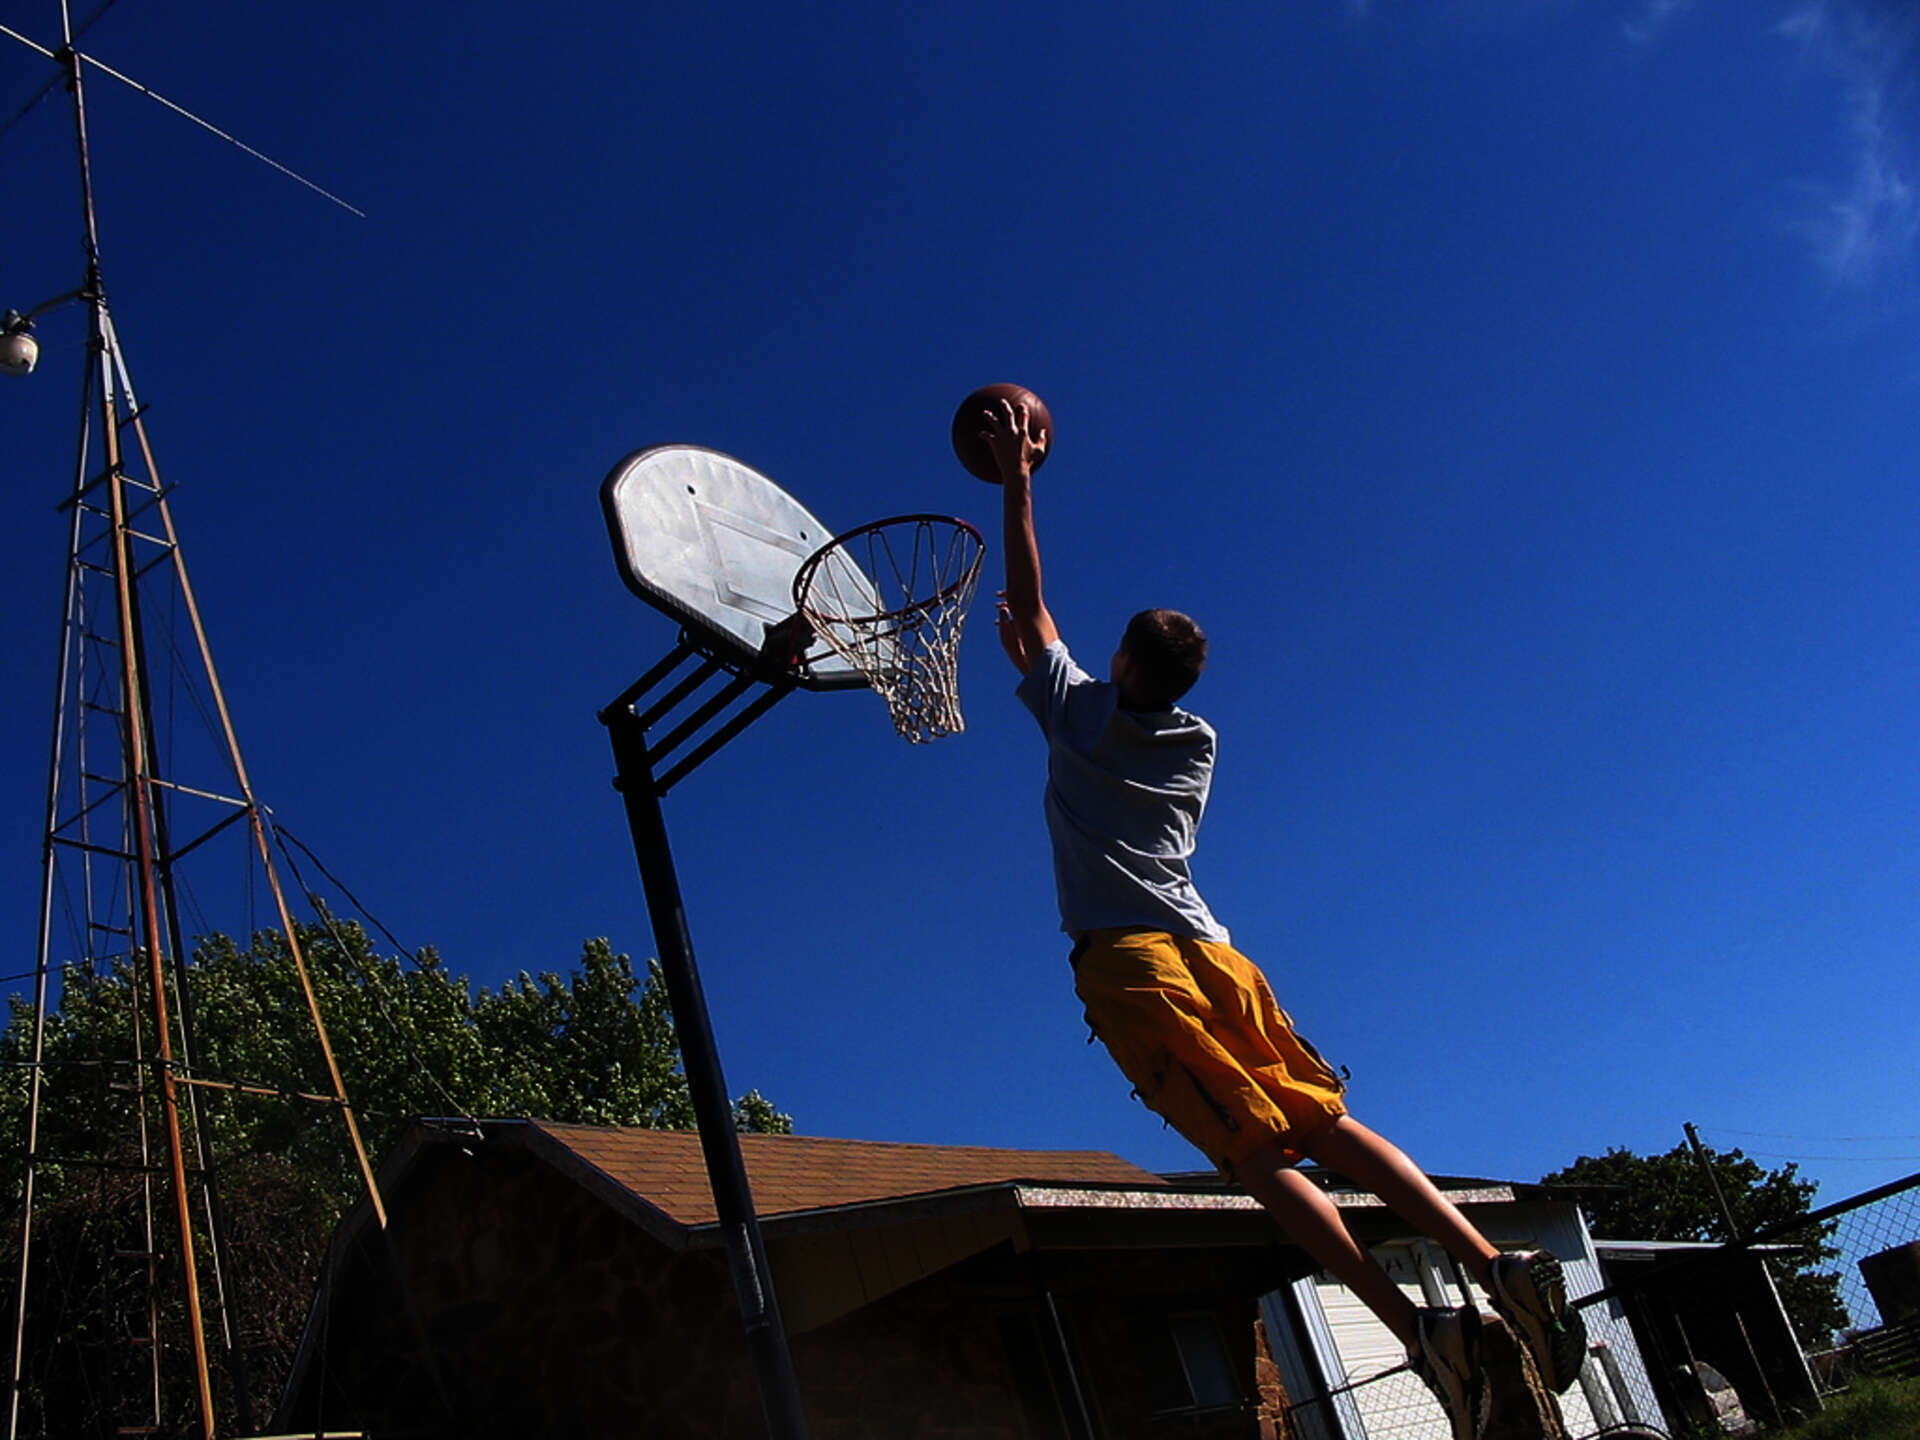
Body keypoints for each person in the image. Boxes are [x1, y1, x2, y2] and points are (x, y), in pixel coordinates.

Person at [982, 398, 1586, 1440]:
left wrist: (1016, 480)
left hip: (1134, 966)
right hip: (1219, 956)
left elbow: (1032, 608)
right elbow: (1053, 638)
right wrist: (1050, 650)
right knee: (1328, 1126)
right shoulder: (1196, 743)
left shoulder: (1079, 715)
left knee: (1260, 1162)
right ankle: (1501, 1267)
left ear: (1121, 664)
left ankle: (1418, 1331)